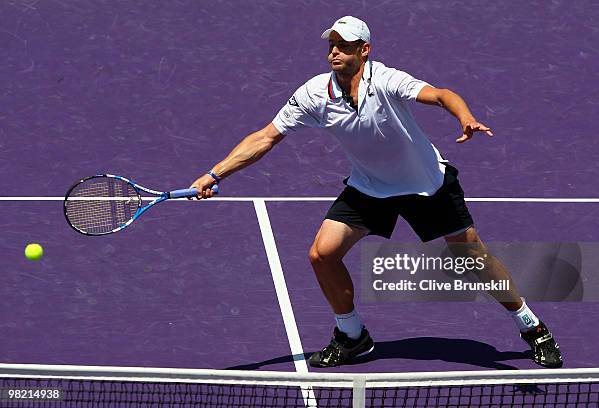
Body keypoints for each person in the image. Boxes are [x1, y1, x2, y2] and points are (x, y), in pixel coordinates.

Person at [189, 16, 563, 369]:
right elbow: (266, 136)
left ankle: (531, 325)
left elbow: (441, 94)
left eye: (344, 46)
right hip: (369, 187)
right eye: (332, 45)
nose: (334, 52)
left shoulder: (385, 81)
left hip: (426, 185)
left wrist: (463, 116)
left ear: (364, 50)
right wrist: (214, 173)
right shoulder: (314, 93)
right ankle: (352, 336)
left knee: (472, 259)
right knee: (322, 254)